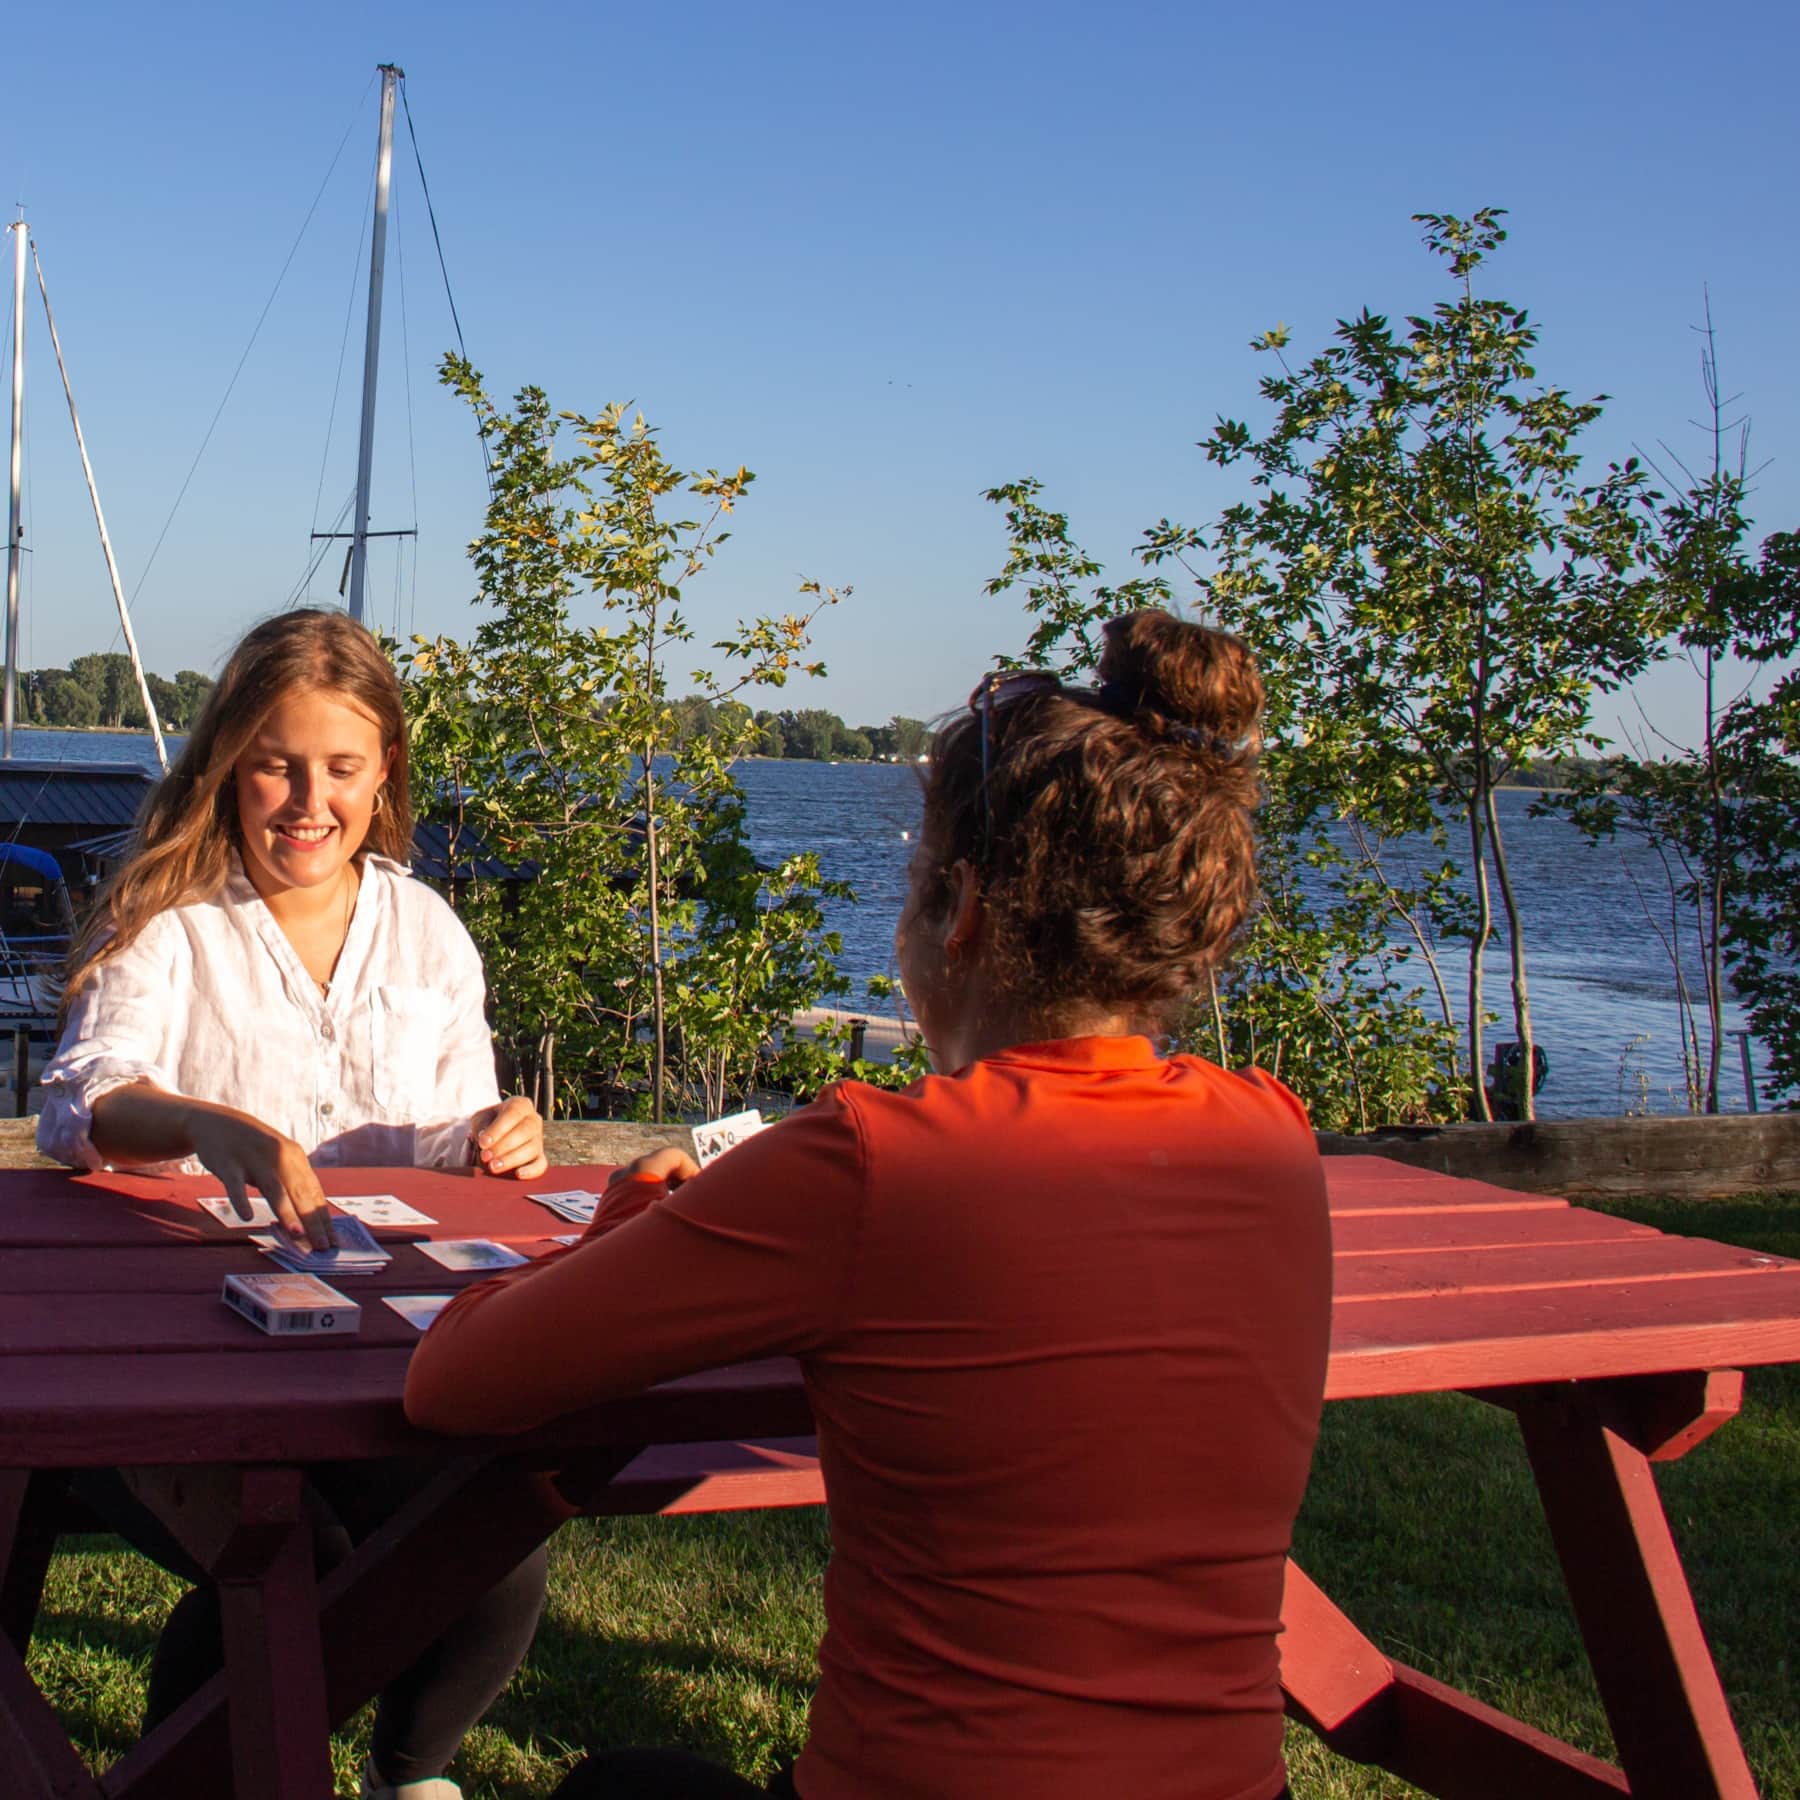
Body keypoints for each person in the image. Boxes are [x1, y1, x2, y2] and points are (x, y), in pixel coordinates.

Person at [405, 610, 1333, 1800]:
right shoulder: (1272, 1136)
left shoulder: (869, 1163)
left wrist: (631, 1223)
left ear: (962, 909)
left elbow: (455, 1382)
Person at [38, 607, 550, 1800]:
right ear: (229, 763)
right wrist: (202, 1123)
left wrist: (489, 1133)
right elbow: (81, 1102)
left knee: (492, 1548)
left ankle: (410, 1777)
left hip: (375, 1357)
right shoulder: (167, 918)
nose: (309, 801)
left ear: (385, 774)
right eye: (277, 764)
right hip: (168, 1353)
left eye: (342, 768)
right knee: (294, 1566)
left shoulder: (428, 931)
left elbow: (436, 1133)